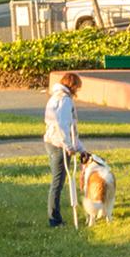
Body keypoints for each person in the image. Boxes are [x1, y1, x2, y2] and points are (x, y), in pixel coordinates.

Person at [43, 71, 87, 227]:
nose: (77, 91)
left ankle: (55, 217)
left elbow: (69, 130)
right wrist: (68, 146)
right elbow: (63, 126)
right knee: (57, 182)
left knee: (57, 181)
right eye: (77, 87)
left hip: (51, 141)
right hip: (58, 144)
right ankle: (54, 219)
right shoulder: (65, 100)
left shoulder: (55, 97)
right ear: (72, 85)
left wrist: (81, 149)